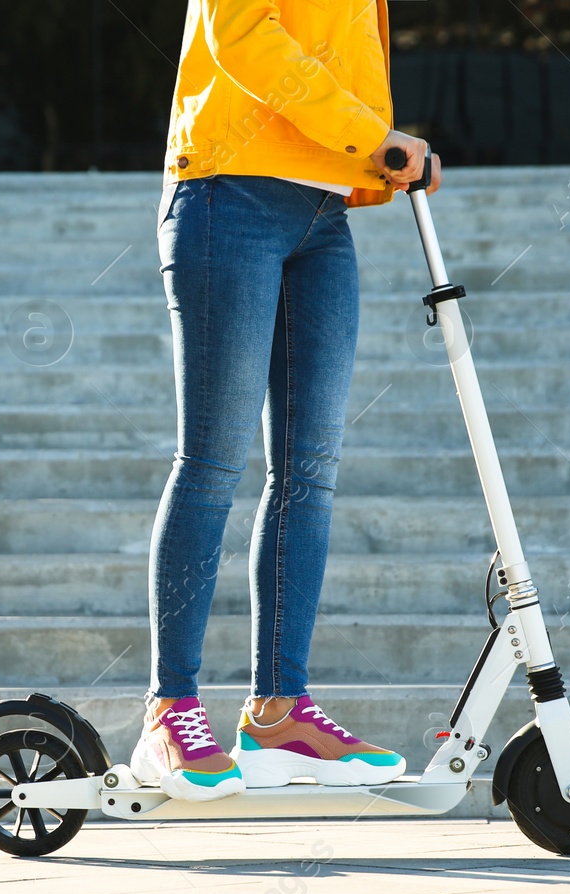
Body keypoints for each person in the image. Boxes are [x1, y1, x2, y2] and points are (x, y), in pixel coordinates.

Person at [130, 0, 444, 801]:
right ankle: (169, 709)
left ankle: (279, 710)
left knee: (310, 471)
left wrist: (376, 152)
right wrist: (370, 135)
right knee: (211, 463)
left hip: (322, 212)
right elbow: (241, 36)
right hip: (227, 194)